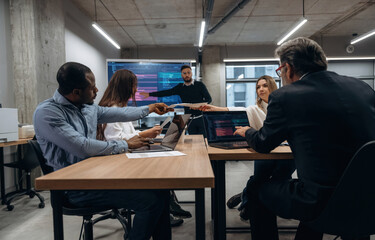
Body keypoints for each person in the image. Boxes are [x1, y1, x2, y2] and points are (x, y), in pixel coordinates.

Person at [233, 37, 375, 240]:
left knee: (257, 190)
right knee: (331, 185)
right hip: (368, 199)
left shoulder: (285, 96)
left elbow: (263, 143)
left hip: (319, 202)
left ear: (287, 69)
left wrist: (247, 131)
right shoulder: (362, 88)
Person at [33, 62, 174, 240]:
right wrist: (126, 144)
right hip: (74, 188)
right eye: (92, 88)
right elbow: (82, 147)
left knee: (161, 190)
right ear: (76, 91)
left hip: (95, 176)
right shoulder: (48, 113)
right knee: (150, 202)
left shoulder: (86, 107)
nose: (97, 90)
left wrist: (149, 108)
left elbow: (119, 113)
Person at [197, 76, 295, 220]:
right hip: (264, 150)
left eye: (265, 86)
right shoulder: (254, 109)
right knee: (259, 180)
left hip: (285, 152)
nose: (261, 89)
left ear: (272, 87)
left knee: (279, 180)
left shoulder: (283, 105)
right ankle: (247, 204)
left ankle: (243, 196)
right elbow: (238, 110)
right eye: (258, 87)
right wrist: (215, 108)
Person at [96, 69, 184, 227]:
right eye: (134, 86)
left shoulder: (120, 107)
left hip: (127, 155)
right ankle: (166, 207)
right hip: (119, 161)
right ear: (125, 87)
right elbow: (115, 140)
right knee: (159, 172)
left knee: (163, 166)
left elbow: (128, 134)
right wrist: (144, 135)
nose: (136, 90)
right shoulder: (111, 109)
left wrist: (146, 133)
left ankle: (168, 206)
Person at [140, 65, 212, 136]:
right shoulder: (180, 87)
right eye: (184, 73)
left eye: (188, 72)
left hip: (201, 118)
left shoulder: (199, 85)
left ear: (191, 73)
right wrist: (149, 94)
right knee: (193, 141)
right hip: (189, 119)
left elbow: (209, 99)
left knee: (204, 141)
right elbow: (167, 92)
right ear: (181, 75)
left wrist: (198, 106)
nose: (187, 75)